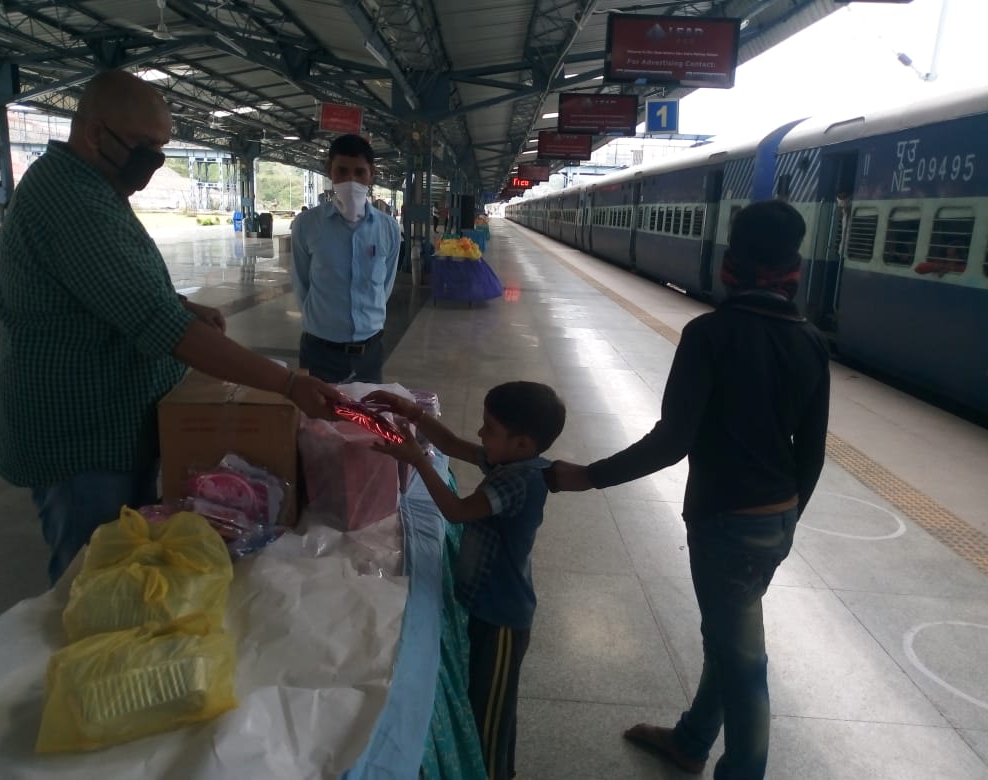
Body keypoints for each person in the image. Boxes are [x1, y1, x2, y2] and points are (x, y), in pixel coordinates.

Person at [0, 70, 342, 586]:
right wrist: (287, 384)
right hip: (81, 441)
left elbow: (105, 286)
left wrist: (176, 301)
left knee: (126, 568)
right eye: (145, 146)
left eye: (161, 147)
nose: (154, 162)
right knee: (96, 580)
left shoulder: (91, 187)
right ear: (94, 134)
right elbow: (167, 331)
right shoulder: (71, 200)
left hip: (110, 429)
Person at [547, 200, 830, 780]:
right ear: (793, 266)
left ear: (731, 261)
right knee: (727, 638)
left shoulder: (710, 335)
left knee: (744, 661)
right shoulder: (809, 342)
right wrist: (787, 518)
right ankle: (692, 739)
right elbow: (814, 452)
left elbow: (673, 440)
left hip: (725, 521)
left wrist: (587, 476)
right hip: (775, 519)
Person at [367, 382, 566, 780]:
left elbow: (457, 511)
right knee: (486, 700)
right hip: (488, 606)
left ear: (523, 444)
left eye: (489, 429)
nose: (480, 434)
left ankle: (492, 772)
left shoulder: (518, 480)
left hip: (503, 618)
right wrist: (414, 412)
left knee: (491, 714)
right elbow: (456, 445)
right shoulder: (512, 462)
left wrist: (419, 460)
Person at [291, 134, 400, 383]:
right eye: (342, 171)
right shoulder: (307, 225)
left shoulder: (388, 228)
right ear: (330, 171)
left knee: (366, 419)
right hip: (319, 351)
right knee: (318, 421)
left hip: (369, 353)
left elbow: (385, 287)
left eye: (359, 172)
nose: (351, 181)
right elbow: (301, 284)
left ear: (371, 175)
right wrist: (322, 323)